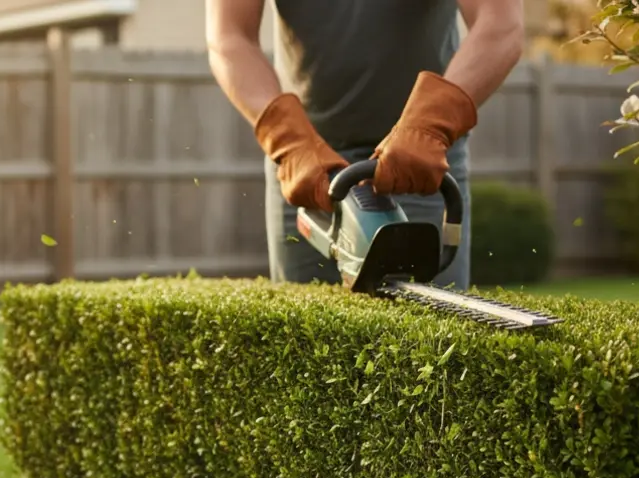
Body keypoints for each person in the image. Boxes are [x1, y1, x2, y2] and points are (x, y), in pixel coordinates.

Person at [205, 0, 528, 290]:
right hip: (307, 164)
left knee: (433, 339)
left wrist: (430, 125)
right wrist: (287, 140)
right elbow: (229, 37)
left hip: (421, 160)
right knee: (306, 338)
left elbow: (501, 25)